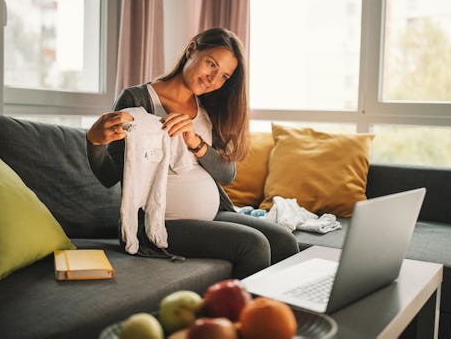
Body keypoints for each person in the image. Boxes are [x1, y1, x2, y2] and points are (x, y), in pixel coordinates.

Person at [86, 27, 299, 279]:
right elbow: (110, 174)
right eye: (211, 64)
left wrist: (195, 142)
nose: (213, 79)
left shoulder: (208, 104)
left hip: (214, 213)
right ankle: (246, 317)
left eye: (223, 76)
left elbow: (228, 173)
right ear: (191, 50)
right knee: (254, 245)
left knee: (285, 242)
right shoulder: (139, 100)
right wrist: (94, 142)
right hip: (162, 225)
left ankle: (278, 315)